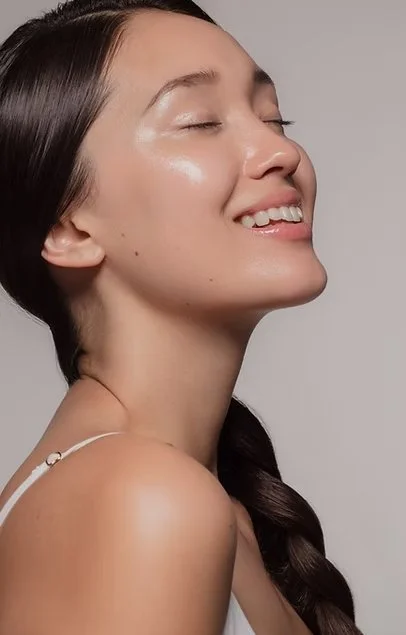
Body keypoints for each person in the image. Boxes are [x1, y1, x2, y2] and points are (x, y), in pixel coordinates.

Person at [0, 1, 364, 634]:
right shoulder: (143, 502)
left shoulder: (200, 504)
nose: (280, 150)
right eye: (199, 122)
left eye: (274, 117)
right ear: (69, 228)